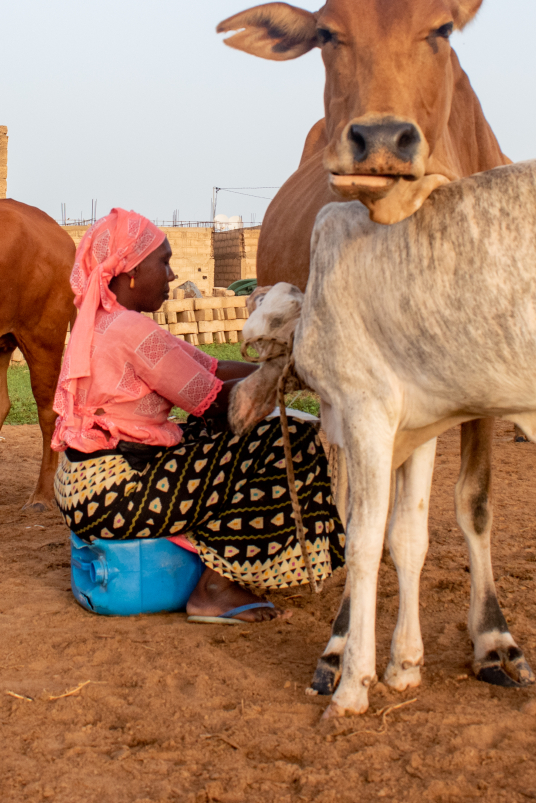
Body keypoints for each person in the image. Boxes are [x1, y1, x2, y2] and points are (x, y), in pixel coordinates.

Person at [51, 208, 345, 622]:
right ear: (131, 270)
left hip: (80, 488)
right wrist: (288, 372)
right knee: (284, 437)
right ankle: (215, 588)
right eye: (164, 261)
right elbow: (224, 405)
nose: (171, 275)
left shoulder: (109, 323)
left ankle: (210, 568)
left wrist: (299, 370)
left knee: (207, 438)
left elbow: (210, 367)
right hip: (114, 493)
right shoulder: (132, 332)